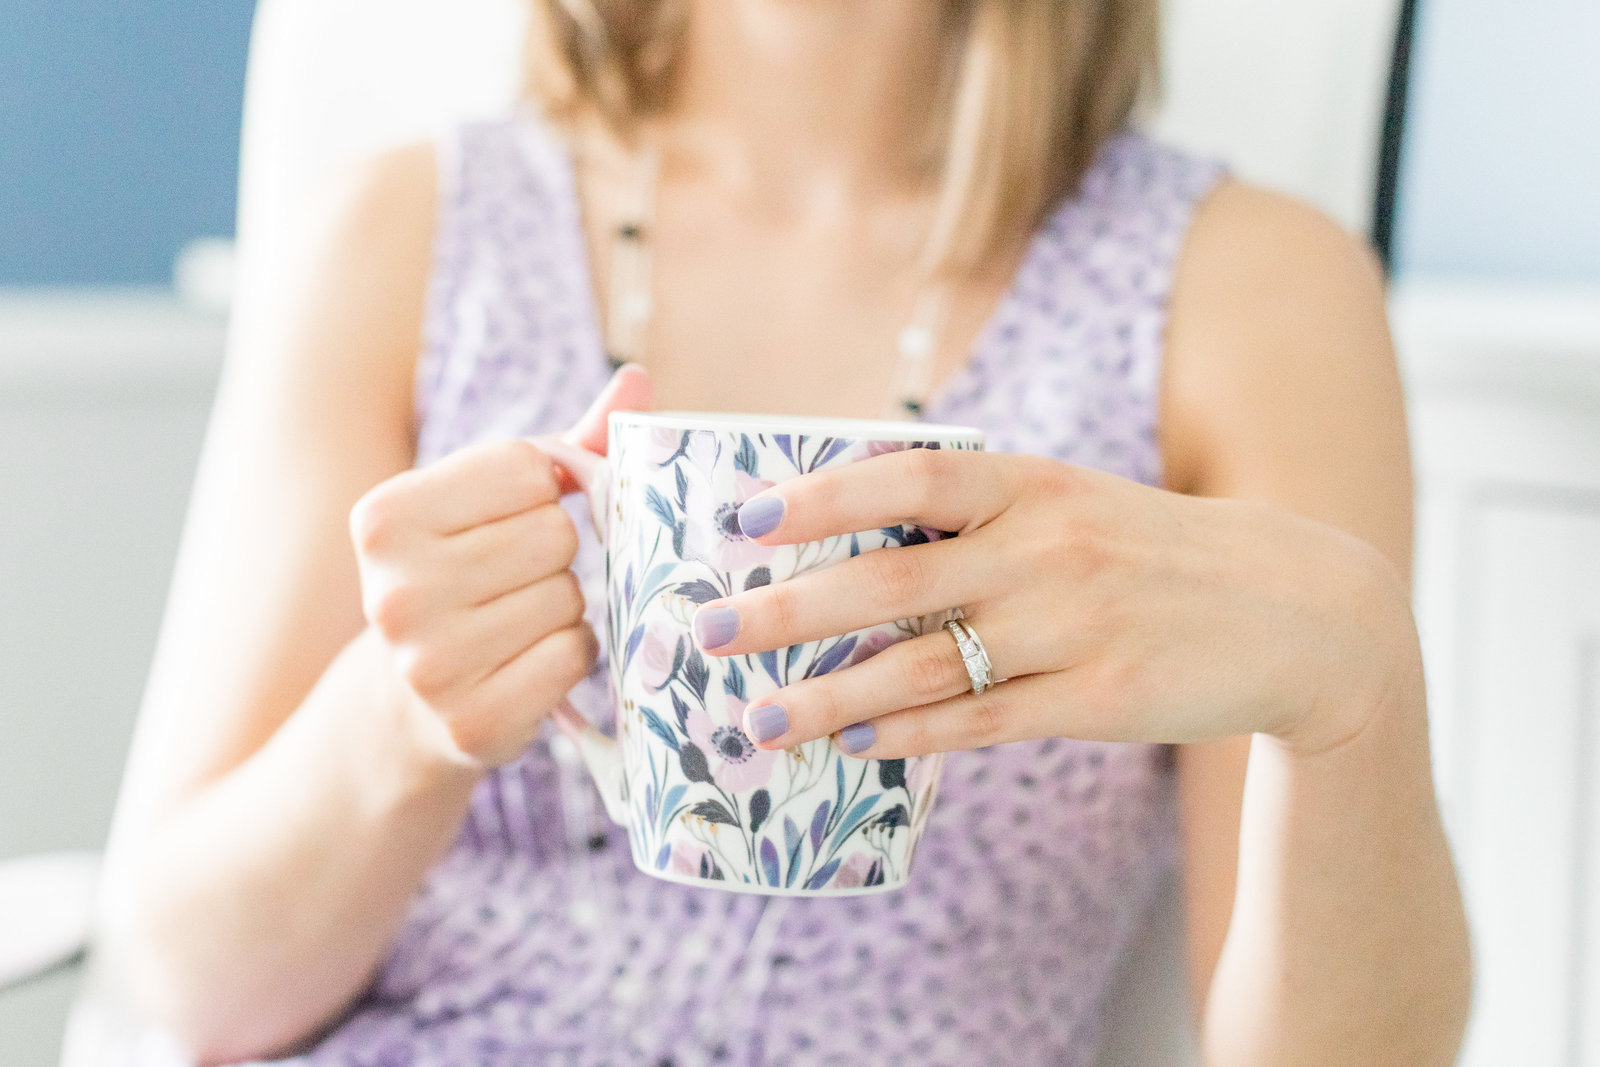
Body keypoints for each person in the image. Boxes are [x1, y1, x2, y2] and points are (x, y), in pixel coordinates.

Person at [100, 1, 1472, 1064]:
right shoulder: (398, 236)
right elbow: (186, 979)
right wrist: (401, 722)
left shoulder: (1252, 297)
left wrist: (1353, 688)